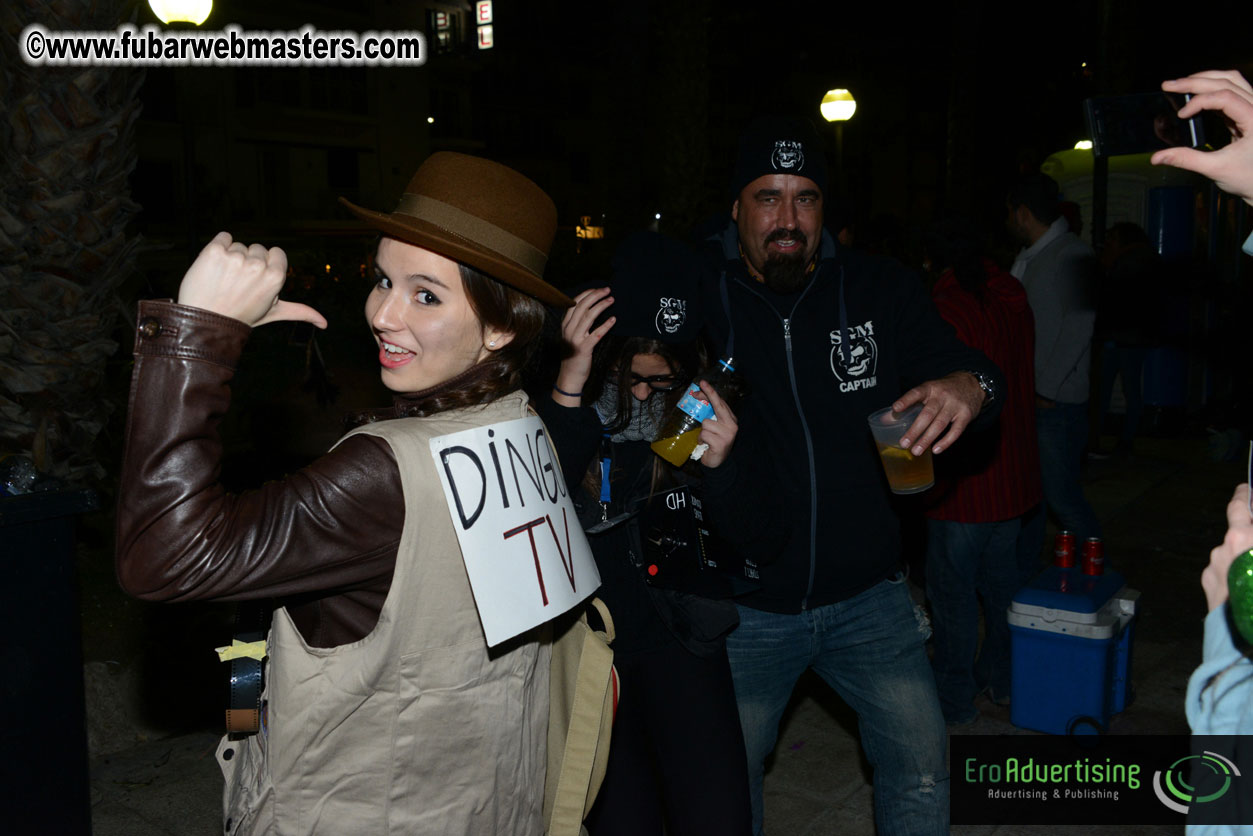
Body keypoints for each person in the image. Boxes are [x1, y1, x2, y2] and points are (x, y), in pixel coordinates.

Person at [114, 152, 574, 835]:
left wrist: (197, 336)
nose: (382, 314)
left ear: (503, 325)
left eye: (426, 295)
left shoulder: (386, 473)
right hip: (488, 803)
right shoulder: (518, 427)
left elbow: (159, 557)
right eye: (384, 279)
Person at [702, 115, 1004, 836]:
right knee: (723, 785)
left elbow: (972, 371)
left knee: (923, 767)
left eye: (804, 198)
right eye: (768, 197)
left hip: (871, 598)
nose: (787, 218)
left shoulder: (879, 288)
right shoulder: (701, 297)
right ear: (737, 209)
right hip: (749, 608)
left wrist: (971, 387)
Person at [537, 231, 764, 836]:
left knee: (717, 818)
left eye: (659, 382)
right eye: (627, 376)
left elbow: (758, 538)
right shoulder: (565, 405)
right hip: (592, 657)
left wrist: (724, 470)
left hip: (683, 648)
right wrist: (570, 382)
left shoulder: (707, 411)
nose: (640, 394)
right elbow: (540, 498)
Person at [922, 219, 1042, 725]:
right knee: (1001, 591)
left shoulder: (945, 306)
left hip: (966, 486)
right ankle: (1003, 681)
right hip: (1013, 474)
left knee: (952, 599)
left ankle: (954, 699)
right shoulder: (1011, 294)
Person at [1006, 172, 1102, 544]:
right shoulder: (1031, 257)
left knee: (1063, 499)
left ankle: (1099, 568)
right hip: (1035, 399)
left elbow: (1080, 326)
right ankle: (1031, 571)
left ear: (1022, 213)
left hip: (1056, 403)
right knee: (1034, 498)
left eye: (1010, 212)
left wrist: (1046, 388)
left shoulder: (1073, 253)